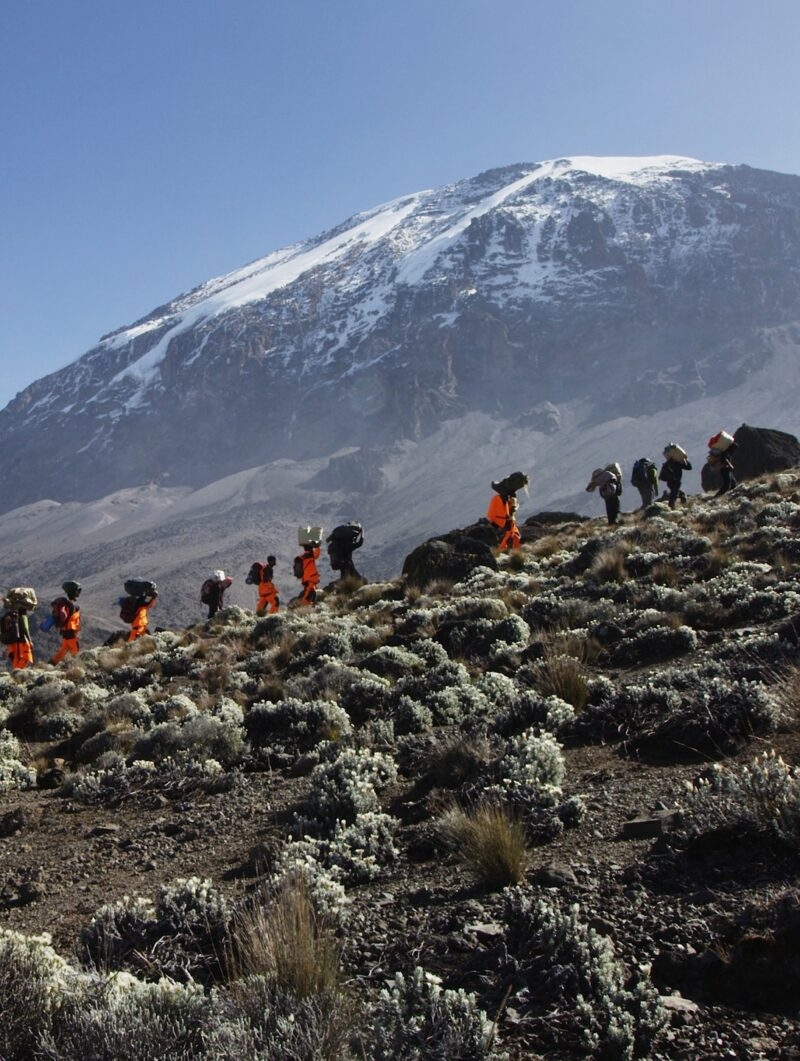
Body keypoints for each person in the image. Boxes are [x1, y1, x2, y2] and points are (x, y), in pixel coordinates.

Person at [487, 473, 528, 551]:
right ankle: (504, 551)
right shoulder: (503, 498)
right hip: (503, 521)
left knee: (513, 535)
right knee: (510, 535)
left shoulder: (502, 498)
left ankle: (509, 551)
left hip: (502, 520)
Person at [49, 580, 82, 664]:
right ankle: (76, 666)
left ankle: (49, 665)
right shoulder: (72, 605)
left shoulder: (66, 604)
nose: (79, 592)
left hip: (65, 633)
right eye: (78, 590)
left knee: (62, 652)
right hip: (71, 633)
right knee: (75, 651)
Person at [1, 594, 35, 670]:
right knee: (26, 658)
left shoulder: (11, 616)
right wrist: (30, 641)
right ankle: (17, 673)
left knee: (16, 658)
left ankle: (16, 673)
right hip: (22, 641)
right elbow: (25, 629)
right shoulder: (23, 617)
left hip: (12, 642)